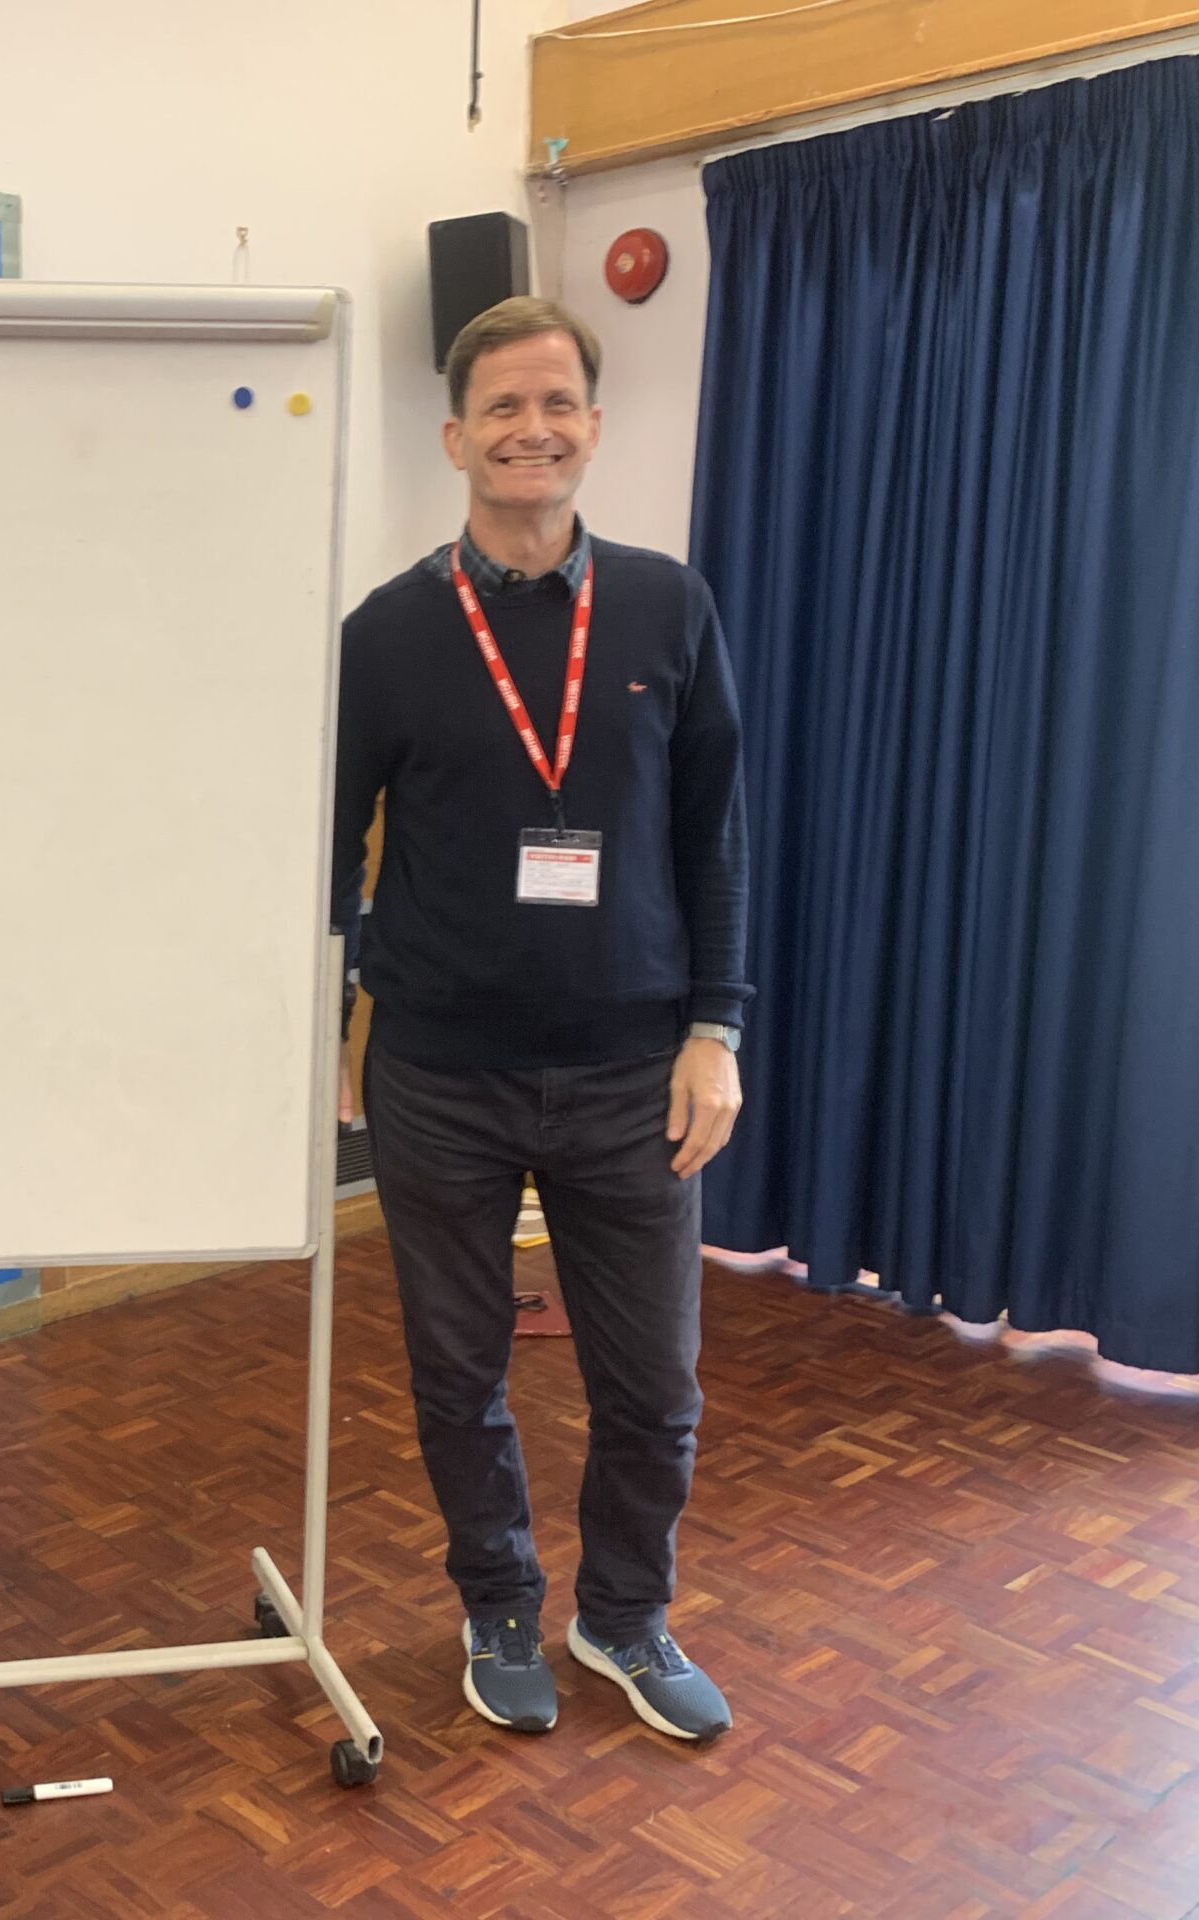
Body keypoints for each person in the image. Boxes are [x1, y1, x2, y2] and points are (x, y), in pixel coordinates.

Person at [332, 296, 749, 1745]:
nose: (532, 428)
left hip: (636, 1070)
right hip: (440, 1072)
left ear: (591, 428)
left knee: (658, 1388)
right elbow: (326, 852)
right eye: (502, 407)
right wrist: (340, 1019)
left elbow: (715, 838)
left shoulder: (666, 608)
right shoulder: (385, 633)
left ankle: (624, 1614)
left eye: (557, 402)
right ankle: (499, 1600)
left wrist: (720, 1027)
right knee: (459, 1376)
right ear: (456, 438)